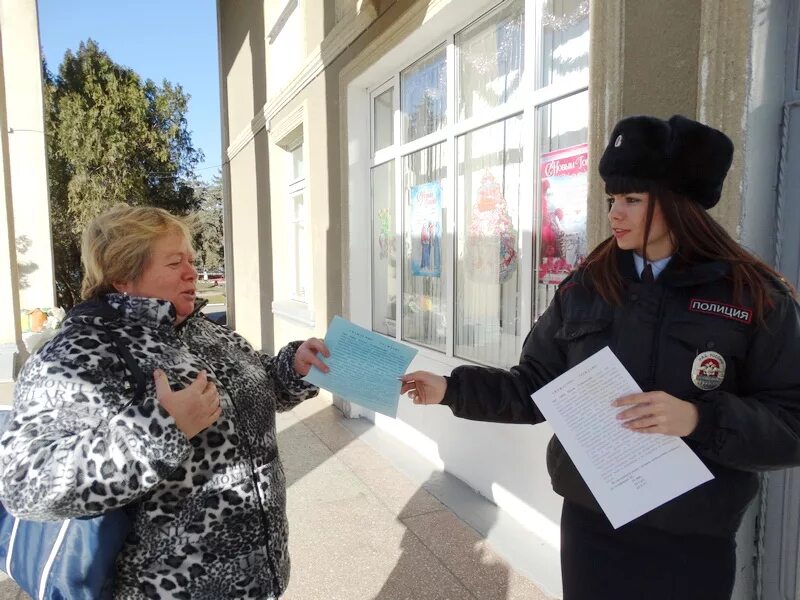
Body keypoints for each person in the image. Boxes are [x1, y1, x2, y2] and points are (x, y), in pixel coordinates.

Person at [400, 114, 800, 600]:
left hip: (693, 538)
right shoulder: (588, 286)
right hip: (593, 529)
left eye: (632, 199)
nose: (615, 213)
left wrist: (698, 418)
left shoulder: (754, 297)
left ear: (680, 205)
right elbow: (535, 387)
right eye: (612, 198)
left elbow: (791, 424)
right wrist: (451, 389)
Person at [0, 205, 330, 599]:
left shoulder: (203, 330)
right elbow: (26, 486)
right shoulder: (77, 353)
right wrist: (163, 429)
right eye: (175, 263)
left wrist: (292, 368)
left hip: (257, 573)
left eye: (190, 260)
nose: (193, 272)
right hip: (170, 587)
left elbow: (256, 389)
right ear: (122, 275)